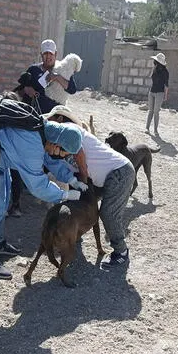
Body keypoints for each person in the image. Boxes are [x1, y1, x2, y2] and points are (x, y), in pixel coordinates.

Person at [0, 94, 86, 279]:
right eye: (62, 151)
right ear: (57, 142)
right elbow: (38, 186)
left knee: (4, 199)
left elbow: (48, 159)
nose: (60, 155)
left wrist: (72, 179)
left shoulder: (43, 130)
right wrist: (64, 196)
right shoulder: (32, 143)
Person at [44, 105, 135, 267]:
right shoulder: (57, 144)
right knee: (80, 206)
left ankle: (121, 252)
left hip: (119, 172)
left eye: (51, 121)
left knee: (108, 214)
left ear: (60, 120)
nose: (48, 127)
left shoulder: (70, 131)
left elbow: (82, 164)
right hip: (100, 178)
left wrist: (82, 186)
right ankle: (75, 234)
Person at [20, 39, 78, 115]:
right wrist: (26, 89)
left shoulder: (63, 70)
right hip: (33, 113)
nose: (48, 57)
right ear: (41, 54)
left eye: (51, 53)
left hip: (54, 115)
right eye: (45, 53)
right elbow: (20, 91)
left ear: (55, 54)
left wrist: (57, 77)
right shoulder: (33, 70)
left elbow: (72, 90)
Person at [146, 52, 169, 135]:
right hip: (152, 92)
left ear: (159, 62)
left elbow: (166, 85)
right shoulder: (154, 69)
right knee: (150, 110)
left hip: (160, 93)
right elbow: (149, 76)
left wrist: (165, 96)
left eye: (155, 61)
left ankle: (155, 130)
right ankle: (147, 128)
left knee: (156, 112)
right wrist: (152, 69)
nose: (154, 62)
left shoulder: (165, 72)